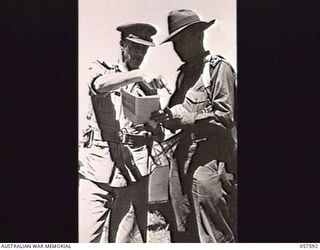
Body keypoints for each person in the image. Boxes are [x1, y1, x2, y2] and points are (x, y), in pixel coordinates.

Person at [151, 9, 237, 243]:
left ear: (198, 36)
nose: (177, 48)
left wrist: (186, 119)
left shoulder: (219, 69)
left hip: (210, 158)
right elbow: (174, 115)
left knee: (212, 231)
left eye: (182, 41)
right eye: (174, 43)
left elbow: (224, 117)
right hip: (180, 160)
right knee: (183, 229)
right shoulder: (182, 76)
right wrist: (162, 117)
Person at [78, 22, 164, 243]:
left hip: (133, 173)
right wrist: (138, 75)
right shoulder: (101, 69)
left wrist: (156, 123)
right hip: (98, 170)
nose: (140, 53)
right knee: (86, 237)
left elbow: (157, 132)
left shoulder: (147, 87)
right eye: (135, 46)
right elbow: (99, 86)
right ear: (122, 44)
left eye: (144, 49)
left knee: (128, 241)